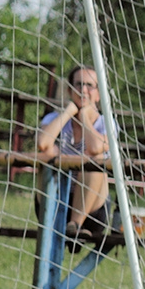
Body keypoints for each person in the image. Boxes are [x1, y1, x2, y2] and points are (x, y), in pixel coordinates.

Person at [37, 65, 114, 242]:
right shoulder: (53, 119)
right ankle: (56, 219)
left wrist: (85, 117)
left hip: (92, 210)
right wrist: (69, 112)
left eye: (89, 85)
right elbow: (42, 144)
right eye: (78, 84)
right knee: (49, 151)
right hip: (54, 203)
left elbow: (95, 148)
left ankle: (75, 224)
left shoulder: (106, 123)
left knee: (96, 158)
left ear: (98, 93)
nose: (83, 90)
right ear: (69, 89)